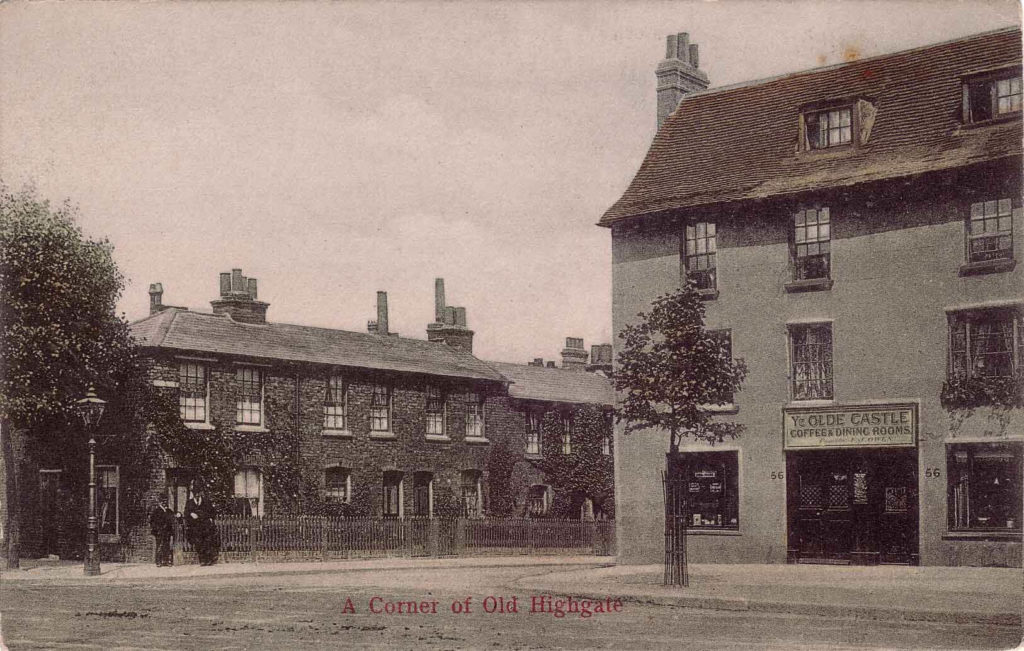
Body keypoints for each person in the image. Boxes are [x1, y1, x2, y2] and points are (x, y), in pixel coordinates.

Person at [184, 489, 219, 566]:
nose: (197, 495)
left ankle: (208, 560)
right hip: (195, 527)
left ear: (200, 493)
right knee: (198, 543)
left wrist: (209, 518)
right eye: (195, 493)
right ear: (193, 494)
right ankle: (202, 560)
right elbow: (186, 514)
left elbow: (212, 512)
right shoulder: (189, 503)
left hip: (205, 526)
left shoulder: (206, 502)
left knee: (207, 543)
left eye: (198, 493)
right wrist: (190, 514)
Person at [149, 496, 176, 567]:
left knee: (167, 546)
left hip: (167, 532)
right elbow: (152, 522)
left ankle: (166, 560)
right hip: (159, 532)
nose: (164, 503)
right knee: (159, 546)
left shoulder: (169, 511)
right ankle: (158, 561)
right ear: (160, 502)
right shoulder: (156, 511)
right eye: (163, 501)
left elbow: (172, 521)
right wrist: (157, 530)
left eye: (165, 501)